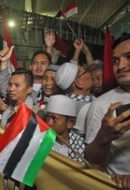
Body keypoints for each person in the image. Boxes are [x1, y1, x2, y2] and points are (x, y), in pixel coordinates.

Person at [84, 33, 130, 189]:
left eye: (129, 57)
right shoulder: (101, 104)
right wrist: (104, 136)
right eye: (116, 60)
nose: (121, 66)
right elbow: (90, 160)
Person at [46, 95, 85, 163]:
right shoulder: (40, 141)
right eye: (48, 117)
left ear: (70, 123)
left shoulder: (81, 147)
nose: (49, 123)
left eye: (54, 119)